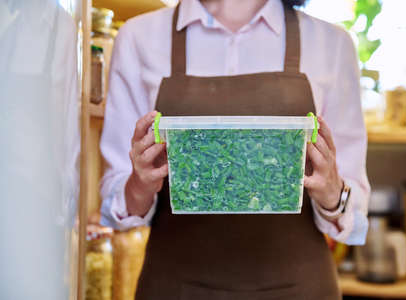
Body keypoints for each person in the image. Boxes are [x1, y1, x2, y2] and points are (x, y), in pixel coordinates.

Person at [100, 0, 370, 299]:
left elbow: (355, 220)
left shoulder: (330, 45)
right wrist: (139, 185)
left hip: (299, 288)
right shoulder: (139, 38)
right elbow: (114, 205)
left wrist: (332, 191)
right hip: (175, 287)